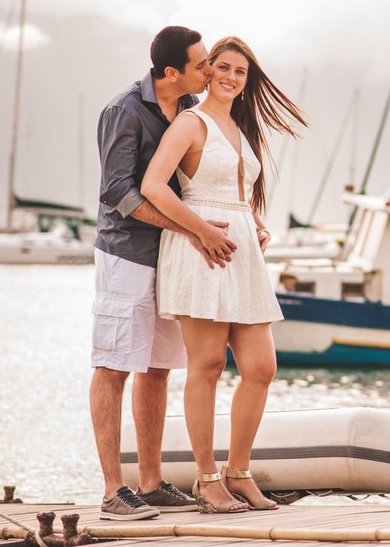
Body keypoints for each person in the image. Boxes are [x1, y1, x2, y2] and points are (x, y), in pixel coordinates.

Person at [141, 35, 307, 514]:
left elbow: (237, 187)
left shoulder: (239, 126)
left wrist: (253, 219)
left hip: (242, 252)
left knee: (260, 367)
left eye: (241, 72)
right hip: (200, 247)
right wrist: (202, 231)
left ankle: (240, 473)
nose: (232, 78)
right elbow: (153, 185)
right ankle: (207, 478)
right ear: (209, 70)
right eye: (225, 68)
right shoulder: (191, 123)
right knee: (208, 365)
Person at [91, 26, 238, 521]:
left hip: (173, 255)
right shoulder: (123, 111)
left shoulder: (192, 107)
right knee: (113, 366)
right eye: (201, 64)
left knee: (157, 369)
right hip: (126, 254)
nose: (210, 70)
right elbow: (118, 193)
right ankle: (114, 490)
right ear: (171, 71)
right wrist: (194, 229)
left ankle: (150, 484)